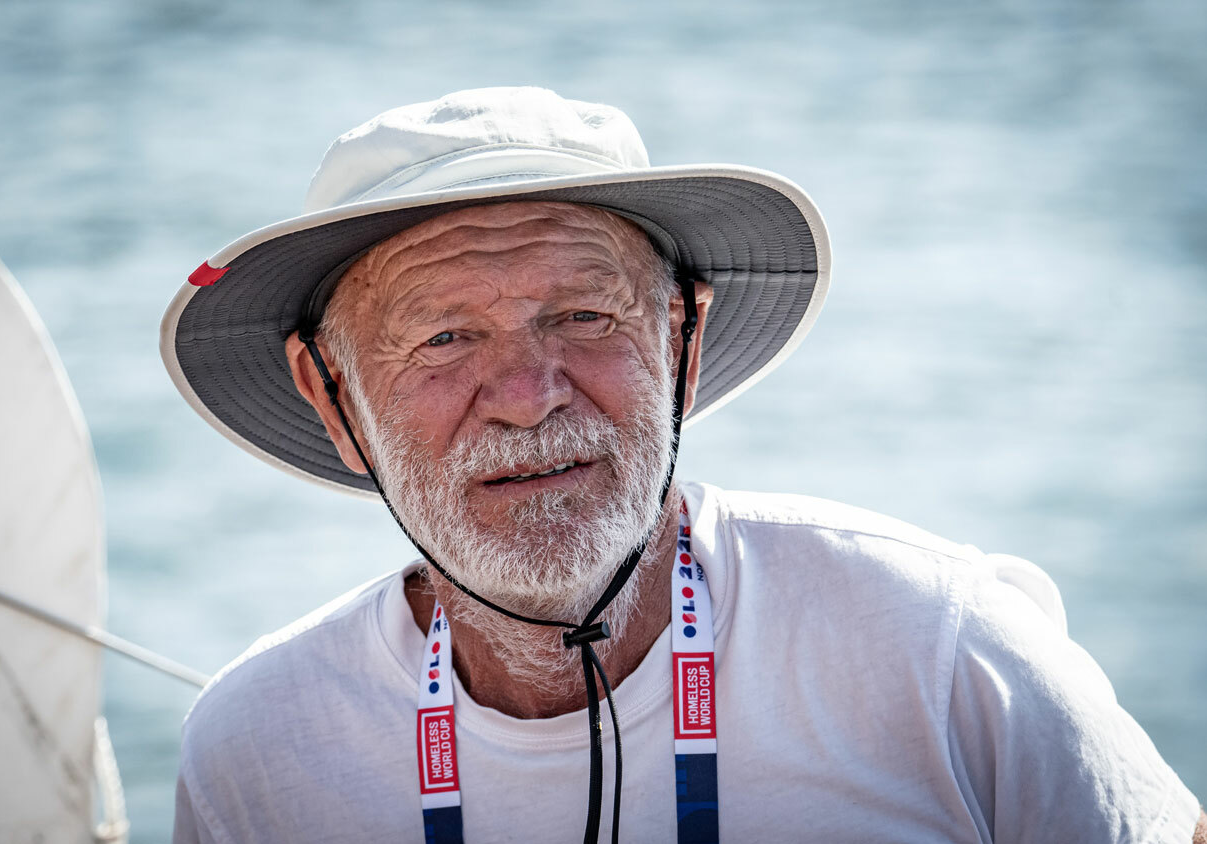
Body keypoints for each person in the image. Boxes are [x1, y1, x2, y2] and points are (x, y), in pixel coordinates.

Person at [163, 87, 1205, 844]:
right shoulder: (255, 750)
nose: (528, 395)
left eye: (583, 314)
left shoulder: (934, 641)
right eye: (442, 339)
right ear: (330, 396)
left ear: (683, 344)